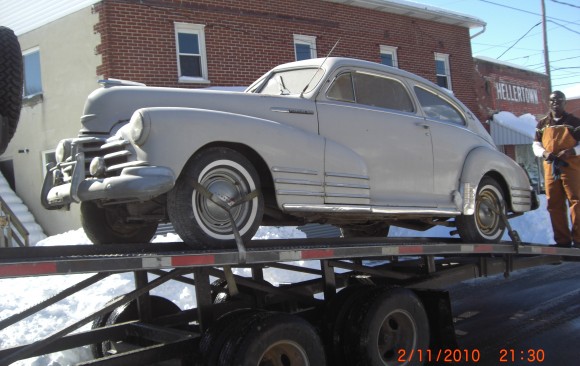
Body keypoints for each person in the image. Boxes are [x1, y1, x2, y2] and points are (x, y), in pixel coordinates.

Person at [533, 90, 580, 248]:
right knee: (554, 204)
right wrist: (544, 153)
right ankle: (562, 241)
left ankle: (579, 240)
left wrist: (571, 151)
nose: (555, 103)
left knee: (576, 202)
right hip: (551, 169)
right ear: (549, 102)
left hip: (571, 168)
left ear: (565, 103)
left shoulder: (574, 122)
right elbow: (536, 144)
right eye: (553, 100)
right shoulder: (542, 124)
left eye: (559, 100)